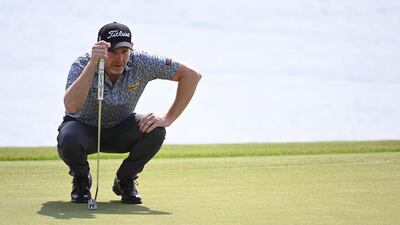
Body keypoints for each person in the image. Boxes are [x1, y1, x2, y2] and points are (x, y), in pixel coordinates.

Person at [56, 22, 201, 204]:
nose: (120, 59)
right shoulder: (82, 63)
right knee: (68, 138)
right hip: (83, 129)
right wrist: (93, 64)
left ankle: (125, 179)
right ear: (101, 48)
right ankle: (81, 179)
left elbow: (192, 75)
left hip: (121, 128)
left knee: (155, 130)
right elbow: (71, 106)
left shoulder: (141, 61)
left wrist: (168, 118)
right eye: (113, 52)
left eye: (125, 52)